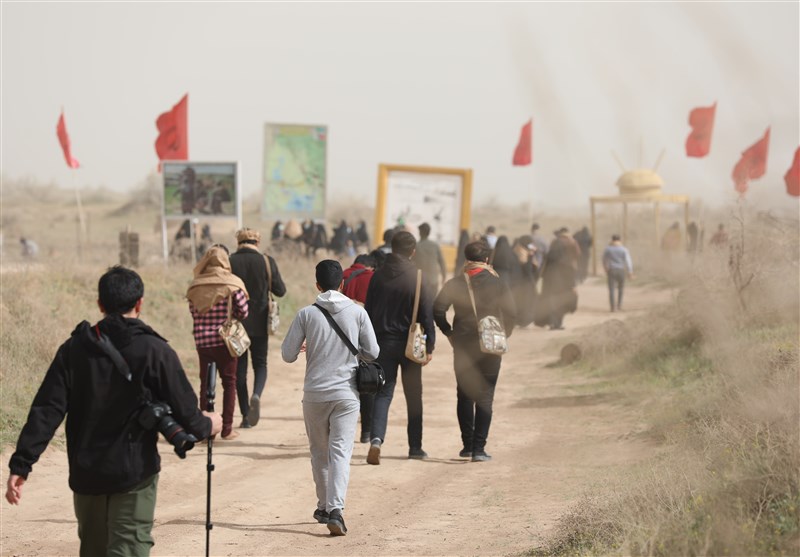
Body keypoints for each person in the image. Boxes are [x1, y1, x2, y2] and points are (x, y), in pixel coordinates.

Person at [5, 266, 222, 556]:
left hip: (86, 473)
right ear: (140, 303)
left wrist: (22, 464)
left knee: (93, 550)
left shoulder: (74, 349)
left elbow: (47, 410)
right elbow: (188, 416)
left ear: (100, 305)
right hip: (134, 474)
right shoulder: (155, 350)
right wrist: (210, 424)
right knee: (129, 549)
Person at [281, 260, 380, 537]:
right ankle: (335, 510)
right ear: (343, 284)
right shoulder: (358, 313)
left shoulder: (305, 315)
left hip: (314, 394)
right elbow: (372, 352)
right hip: (347, 394)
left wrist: (305, 346)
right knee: (340, 453)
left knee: (319, 454)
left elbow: (287, 355)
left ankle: (323, 506)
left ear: (317, 285)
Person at [433, 241, 515, 462]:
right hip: (490, 346)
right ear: (487, 260)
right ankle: (479, 449)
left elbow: (437, 310)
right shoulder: (498, 283)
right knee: (485, 397)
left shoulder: (455, 284)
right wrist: (501, 335)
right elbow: (512, 313)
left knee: (464, 395)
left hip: (463, 345)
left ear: (466, 259)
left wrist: (449, 332)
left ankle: (467, 446)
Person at [364, 231, 436, 464]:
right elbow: (426, 314)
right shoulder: (417, 277)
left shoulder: (378, 276)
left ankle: (376, 439)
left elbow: (368, 312)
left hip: (382, 342)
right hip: (410, 344)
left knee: (383, 394)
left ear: (392, 248)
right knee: (414, 396)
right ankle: (415, 447)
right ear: (413, 251)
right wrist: (431, 344)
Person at [187, 244, 249, 440]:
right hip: (225, 342)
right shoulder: (232, 283)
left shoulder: (195, 285)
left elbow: (192, 310)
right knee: (229, 382)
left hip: (202, 341)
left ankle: (206, 430)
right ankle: (227, 428)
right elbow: (244, 311)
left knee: (205, 383)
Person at [230, 228, 287, 429]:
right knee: (260, 363)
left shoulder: (230, 261)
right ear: (257, 241)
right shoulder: (266, 261)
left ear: (239, 242)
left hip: (236, 324)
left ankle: (246, 415)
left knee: (240, 370)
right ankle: (257, 394)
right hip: (261, 321)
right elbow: (280, 290)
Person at [342, 253, 377, 444]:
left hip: (341, 336)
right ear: (370, 266)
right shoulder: (372, 278)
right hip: (365, 334)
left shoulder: (343, 276)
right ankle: (366, 431)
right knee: (366, 381)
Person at [539, 228, 580, 330]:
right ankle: (558, 324)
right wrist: (573, 285)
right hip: (563, 286)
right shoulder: (567, 259)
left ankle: (553, 323)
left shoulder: (550, 258)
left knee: (552, 303)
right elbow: (571, 272)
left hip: (551, 285)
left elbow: (544, 271)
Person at [602, 234, 634, 312]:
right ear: (619, 240)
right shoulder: (624, 249)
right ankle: (619, 305)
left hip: (612, 270)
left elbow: (604, 259)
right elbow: (628, 261)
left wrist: (606, 267)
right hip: (621, 270)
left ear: (612, 240)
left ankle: (613, 307)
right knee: (621, 289)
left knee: (611, 289)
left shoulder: (608, 249)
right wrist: (630, 271)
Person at [415, 222, 447, 295]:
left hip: (420, 281)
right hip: (433, 280)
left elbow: (411, 263)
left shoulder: (416, 246)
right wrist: (444, 276)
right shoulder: (435, 245)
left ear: (420, 232)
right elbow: (442, 262)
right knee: (432, 302)